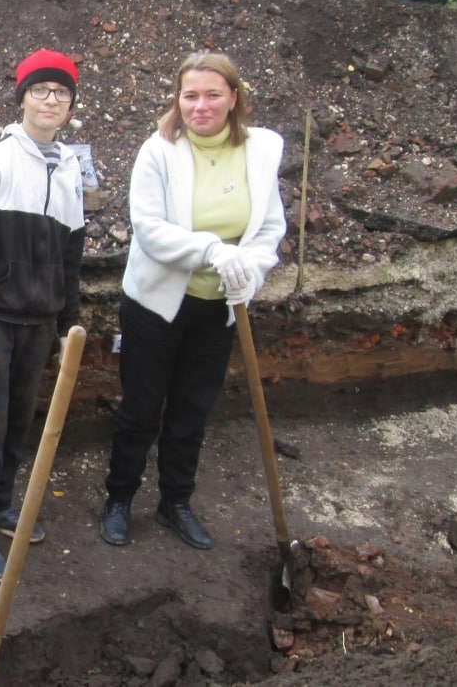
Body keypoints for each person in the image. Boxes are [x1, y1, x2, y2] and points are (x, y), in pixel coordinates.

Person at [100, 51, 286, 551]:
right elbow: (151, 230)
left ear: (234, 98)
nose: (200, 106)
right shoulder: (158, 151)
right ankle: (119, 499)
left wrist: (252, 268)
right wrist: (211, 249)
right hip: (156, 304)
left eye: (212, 95)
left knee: (192, 408)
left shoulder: (262, 151)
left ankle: (175, 502)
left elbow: (269, 226)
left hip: (219, 305)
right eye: (190, 96)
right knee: (141, 406)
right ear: (177, 99)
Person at [0, 50, 86, 583]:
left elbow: (71, 254)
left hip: (40, 321)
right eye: (40, 90)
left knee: (18, 424)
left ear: (70, 105)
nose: (51, 100)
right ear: (22, 97)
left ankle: (2, 506)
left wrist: (68, 322)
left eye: (61, 92)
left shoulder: (69, 168)